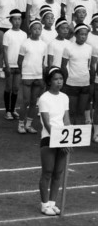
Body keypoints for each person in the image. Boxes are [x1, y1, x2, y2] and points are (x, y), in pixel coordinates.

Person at [38, 67, 69, 216]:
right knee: (48, 171)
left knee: (58, 172)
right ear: (49, 81)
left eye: (61, 79)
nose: (59, 82)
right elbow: (47, 123)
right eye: (56, 79)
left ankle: (52, 203)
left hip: (62, 138)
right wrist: (60, 141)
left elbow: (66, 120)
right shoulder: (44, 98)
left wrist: (68, 139)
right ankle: (44, 205)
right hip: (49, 138)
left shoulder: (65, 97)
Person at [60, 23, 95, 125]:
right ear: (75, 34)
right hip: (72, 84)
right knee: (72, 111)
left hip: (85, 84)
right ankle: (70, 130)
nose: (83, 37)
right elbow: (63, 66)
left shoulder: (89, 48)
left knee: (81, 111)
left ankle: (78, 131)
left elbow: (89, 66)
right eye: (81, 34)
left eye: (86, 34)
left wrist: (90, 81)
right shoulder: (68, 48)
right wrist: (67, 79)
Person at [17, 19, 46, 134]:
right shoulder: (25, 44)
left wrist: (41, 75)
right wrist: (24, 74)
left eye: (39, 29)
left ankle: (28, 125)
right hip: (27, 75)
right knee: (25, 101)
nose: (37, 31)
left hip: (38, 75)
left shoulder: (44, 44)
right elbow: (20, 61)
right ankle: (20, 124)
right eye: (35, 29)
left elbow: (42, 61)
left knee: (34, 102)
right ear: (30, 30)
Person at [2, 9, 26, 120]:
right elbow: (5, 50)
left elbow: (24, 50)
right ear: (11, 21)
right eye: (15, 19)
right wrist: (6, 65)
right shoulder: (7, 34)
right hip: (10, 65)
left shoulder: (24, 34)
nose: (17, 21)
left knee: (16, 88)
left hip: (19, 65)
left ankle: (12, 109)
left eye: (19, 19)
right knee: (8, 87)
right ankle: (7, 111)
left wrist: (23, 64)